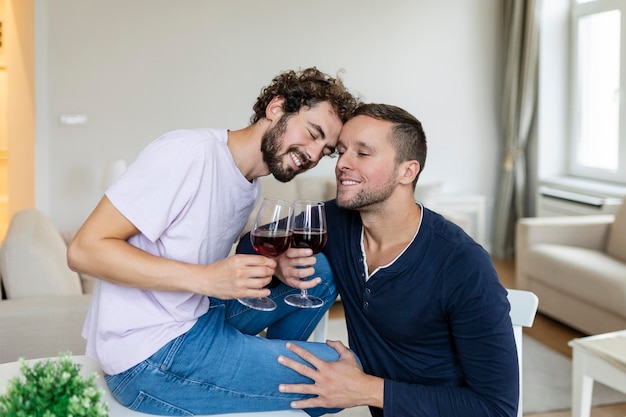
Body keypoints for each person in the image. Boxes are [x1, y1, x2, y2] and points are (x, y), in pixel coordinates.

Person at [66, 67, 360, 416]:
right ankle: (264, 379)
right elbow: (84, 249)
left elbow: (210, 260)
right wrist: (206, 279)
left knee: (321, 271)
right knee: (336, 372)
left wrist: (277, 265)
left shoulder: (252, 188)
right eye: (313, 133)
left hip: (199, 316)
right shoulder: (188, 154)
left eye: (325, 149)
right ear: (276, 108)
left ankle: (262, 374)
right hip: (150, 352)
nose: (313, 155)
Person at [239, 103, 519, 416]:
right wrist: (279, 263)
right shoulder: (335, 221)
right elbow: (250, 244)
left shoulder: (463, 264)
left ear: (407, 171)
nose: (342, 163)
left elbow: (497, 408)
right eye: (342, 150)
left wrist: (367, 389)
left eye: (363, 153)